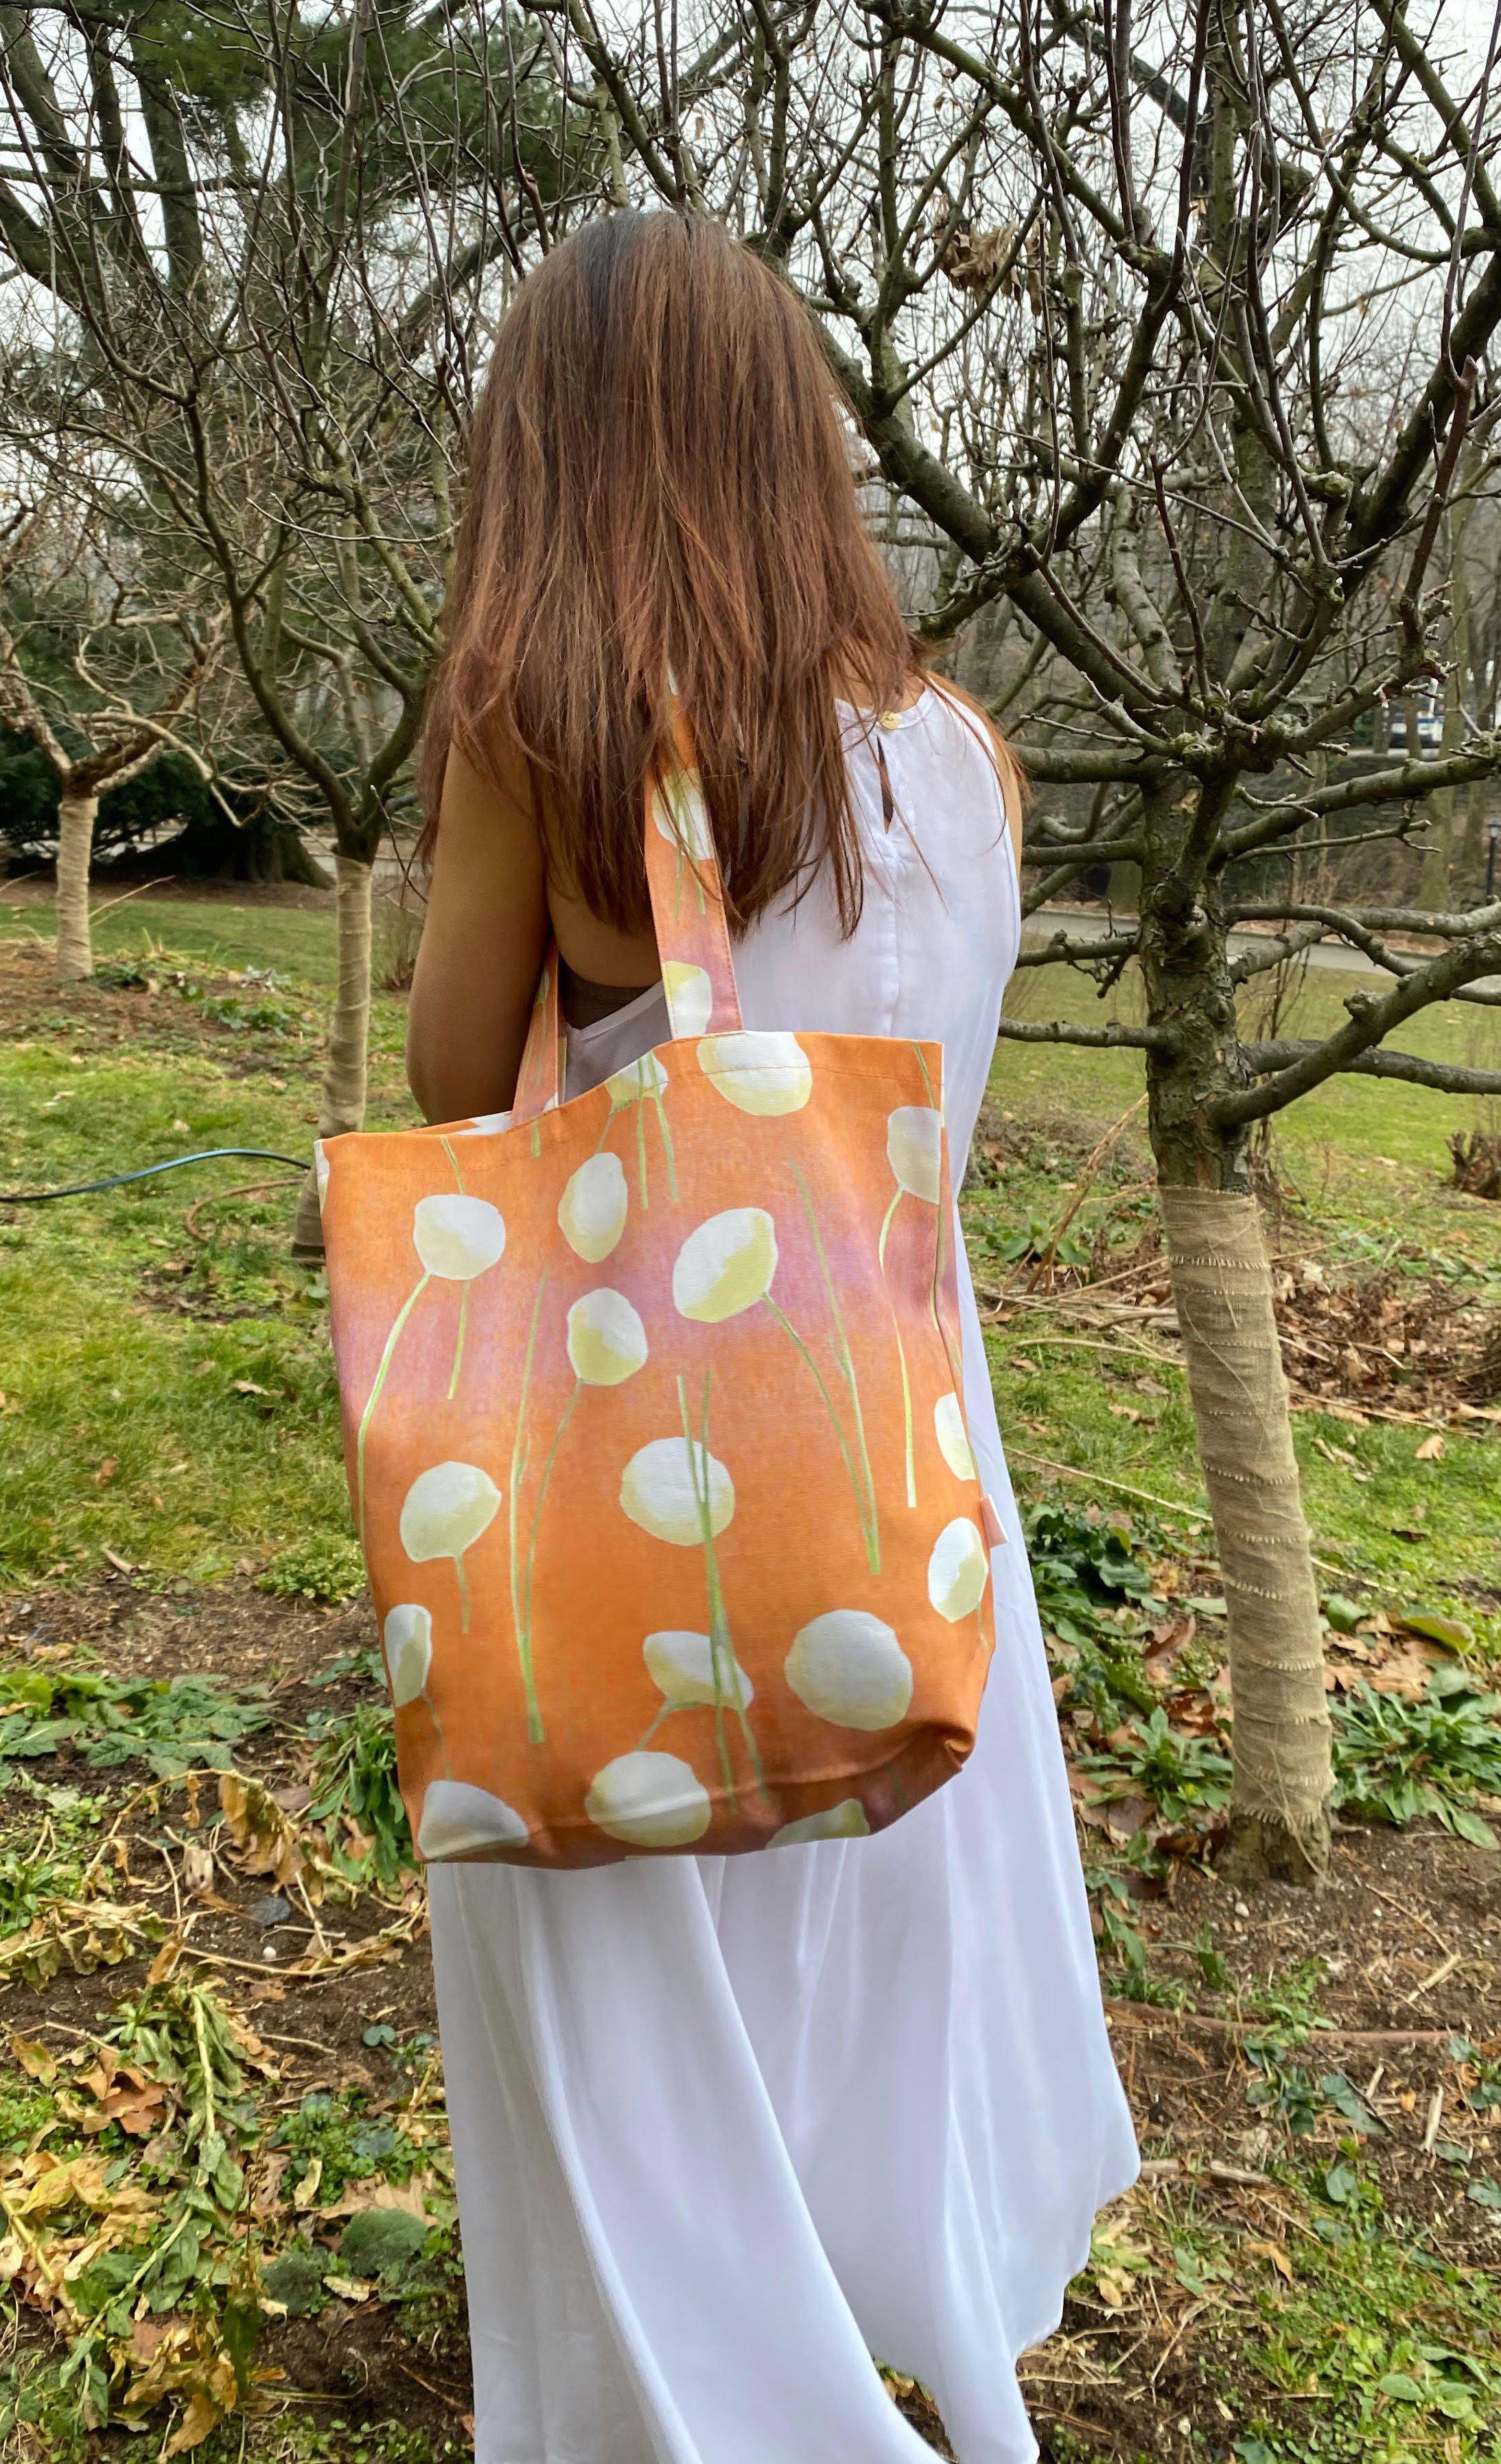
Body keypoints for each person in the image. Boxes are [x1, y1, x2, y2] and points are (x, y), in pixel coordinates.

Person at [404, 209, 1136, 2464]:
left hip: (653, 1467)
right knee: (868, 1994)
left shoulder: (560, 741)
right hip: (904, 1453)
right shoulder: (971, 767)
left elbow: (453, 1083)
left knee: (635, 2021)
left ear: (559, 454)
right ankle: (916, 2367)